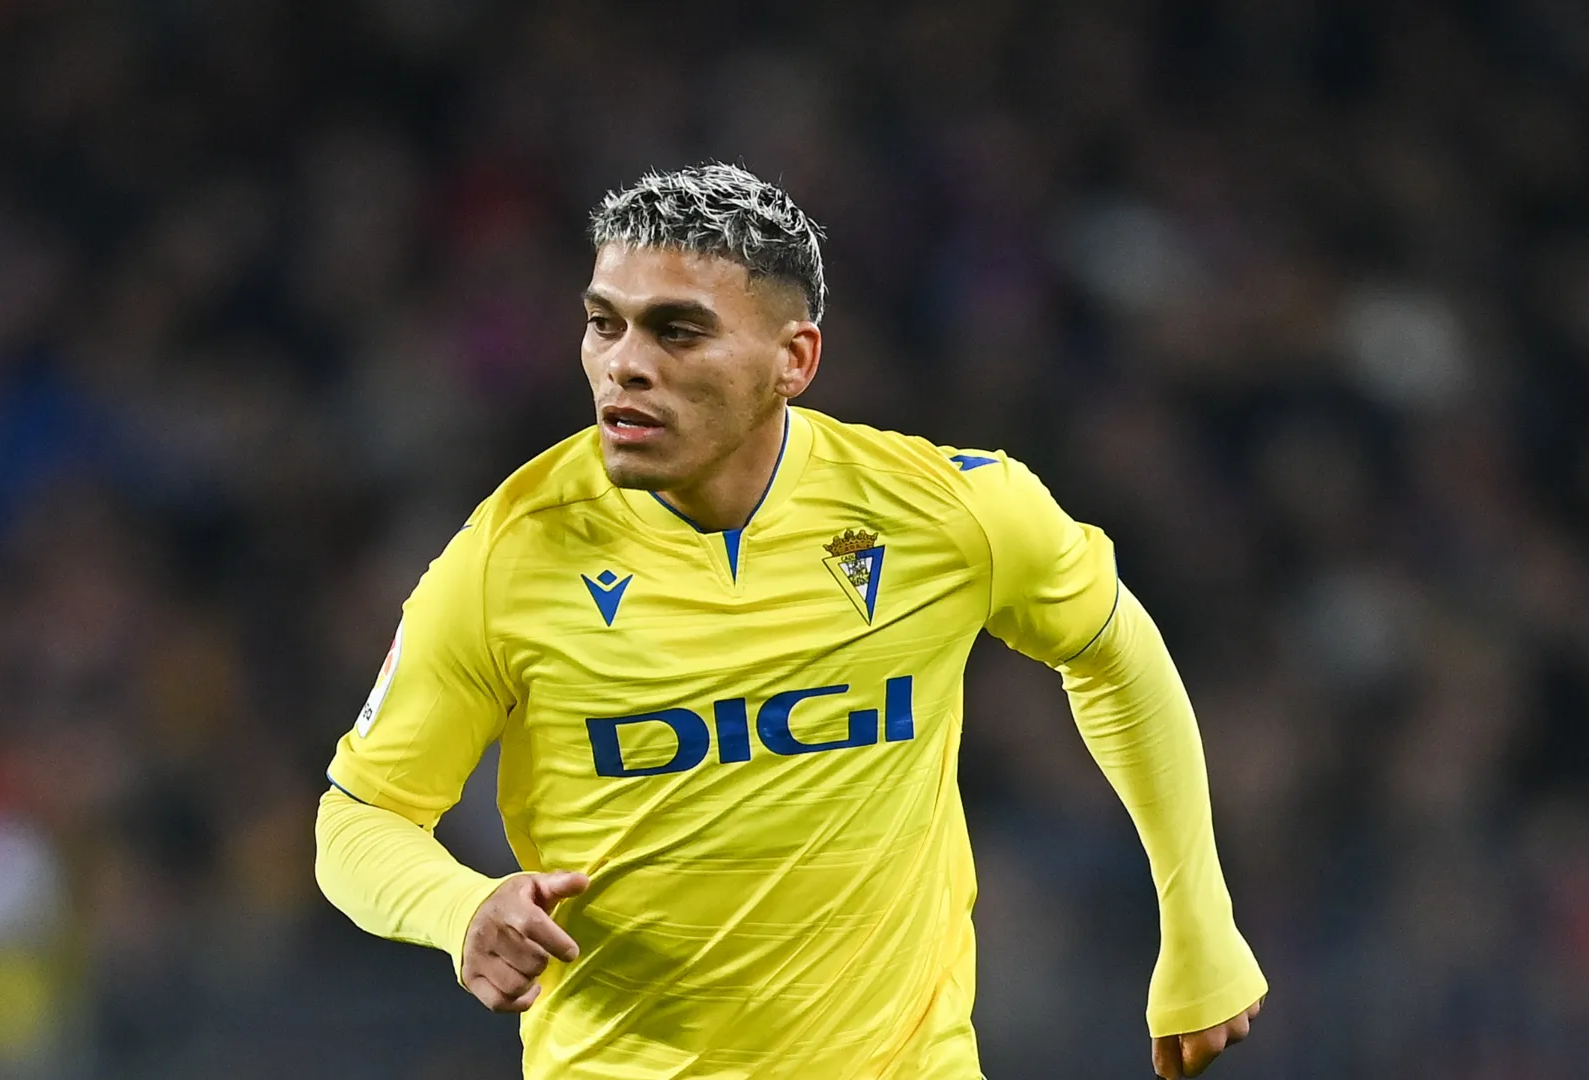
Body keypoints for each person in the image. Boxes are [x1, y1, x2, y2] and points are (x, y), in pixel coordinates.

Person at [314, 163, 1266, 1080]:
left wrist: (1199, 927)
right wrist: (461, 908)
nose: (625, 365)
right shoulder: (507, 556)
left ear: (794, 359)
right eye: (603, 325)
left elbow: (1116, 654)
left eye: (676, 332)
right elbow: (358, 819)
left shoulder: (949, 511)